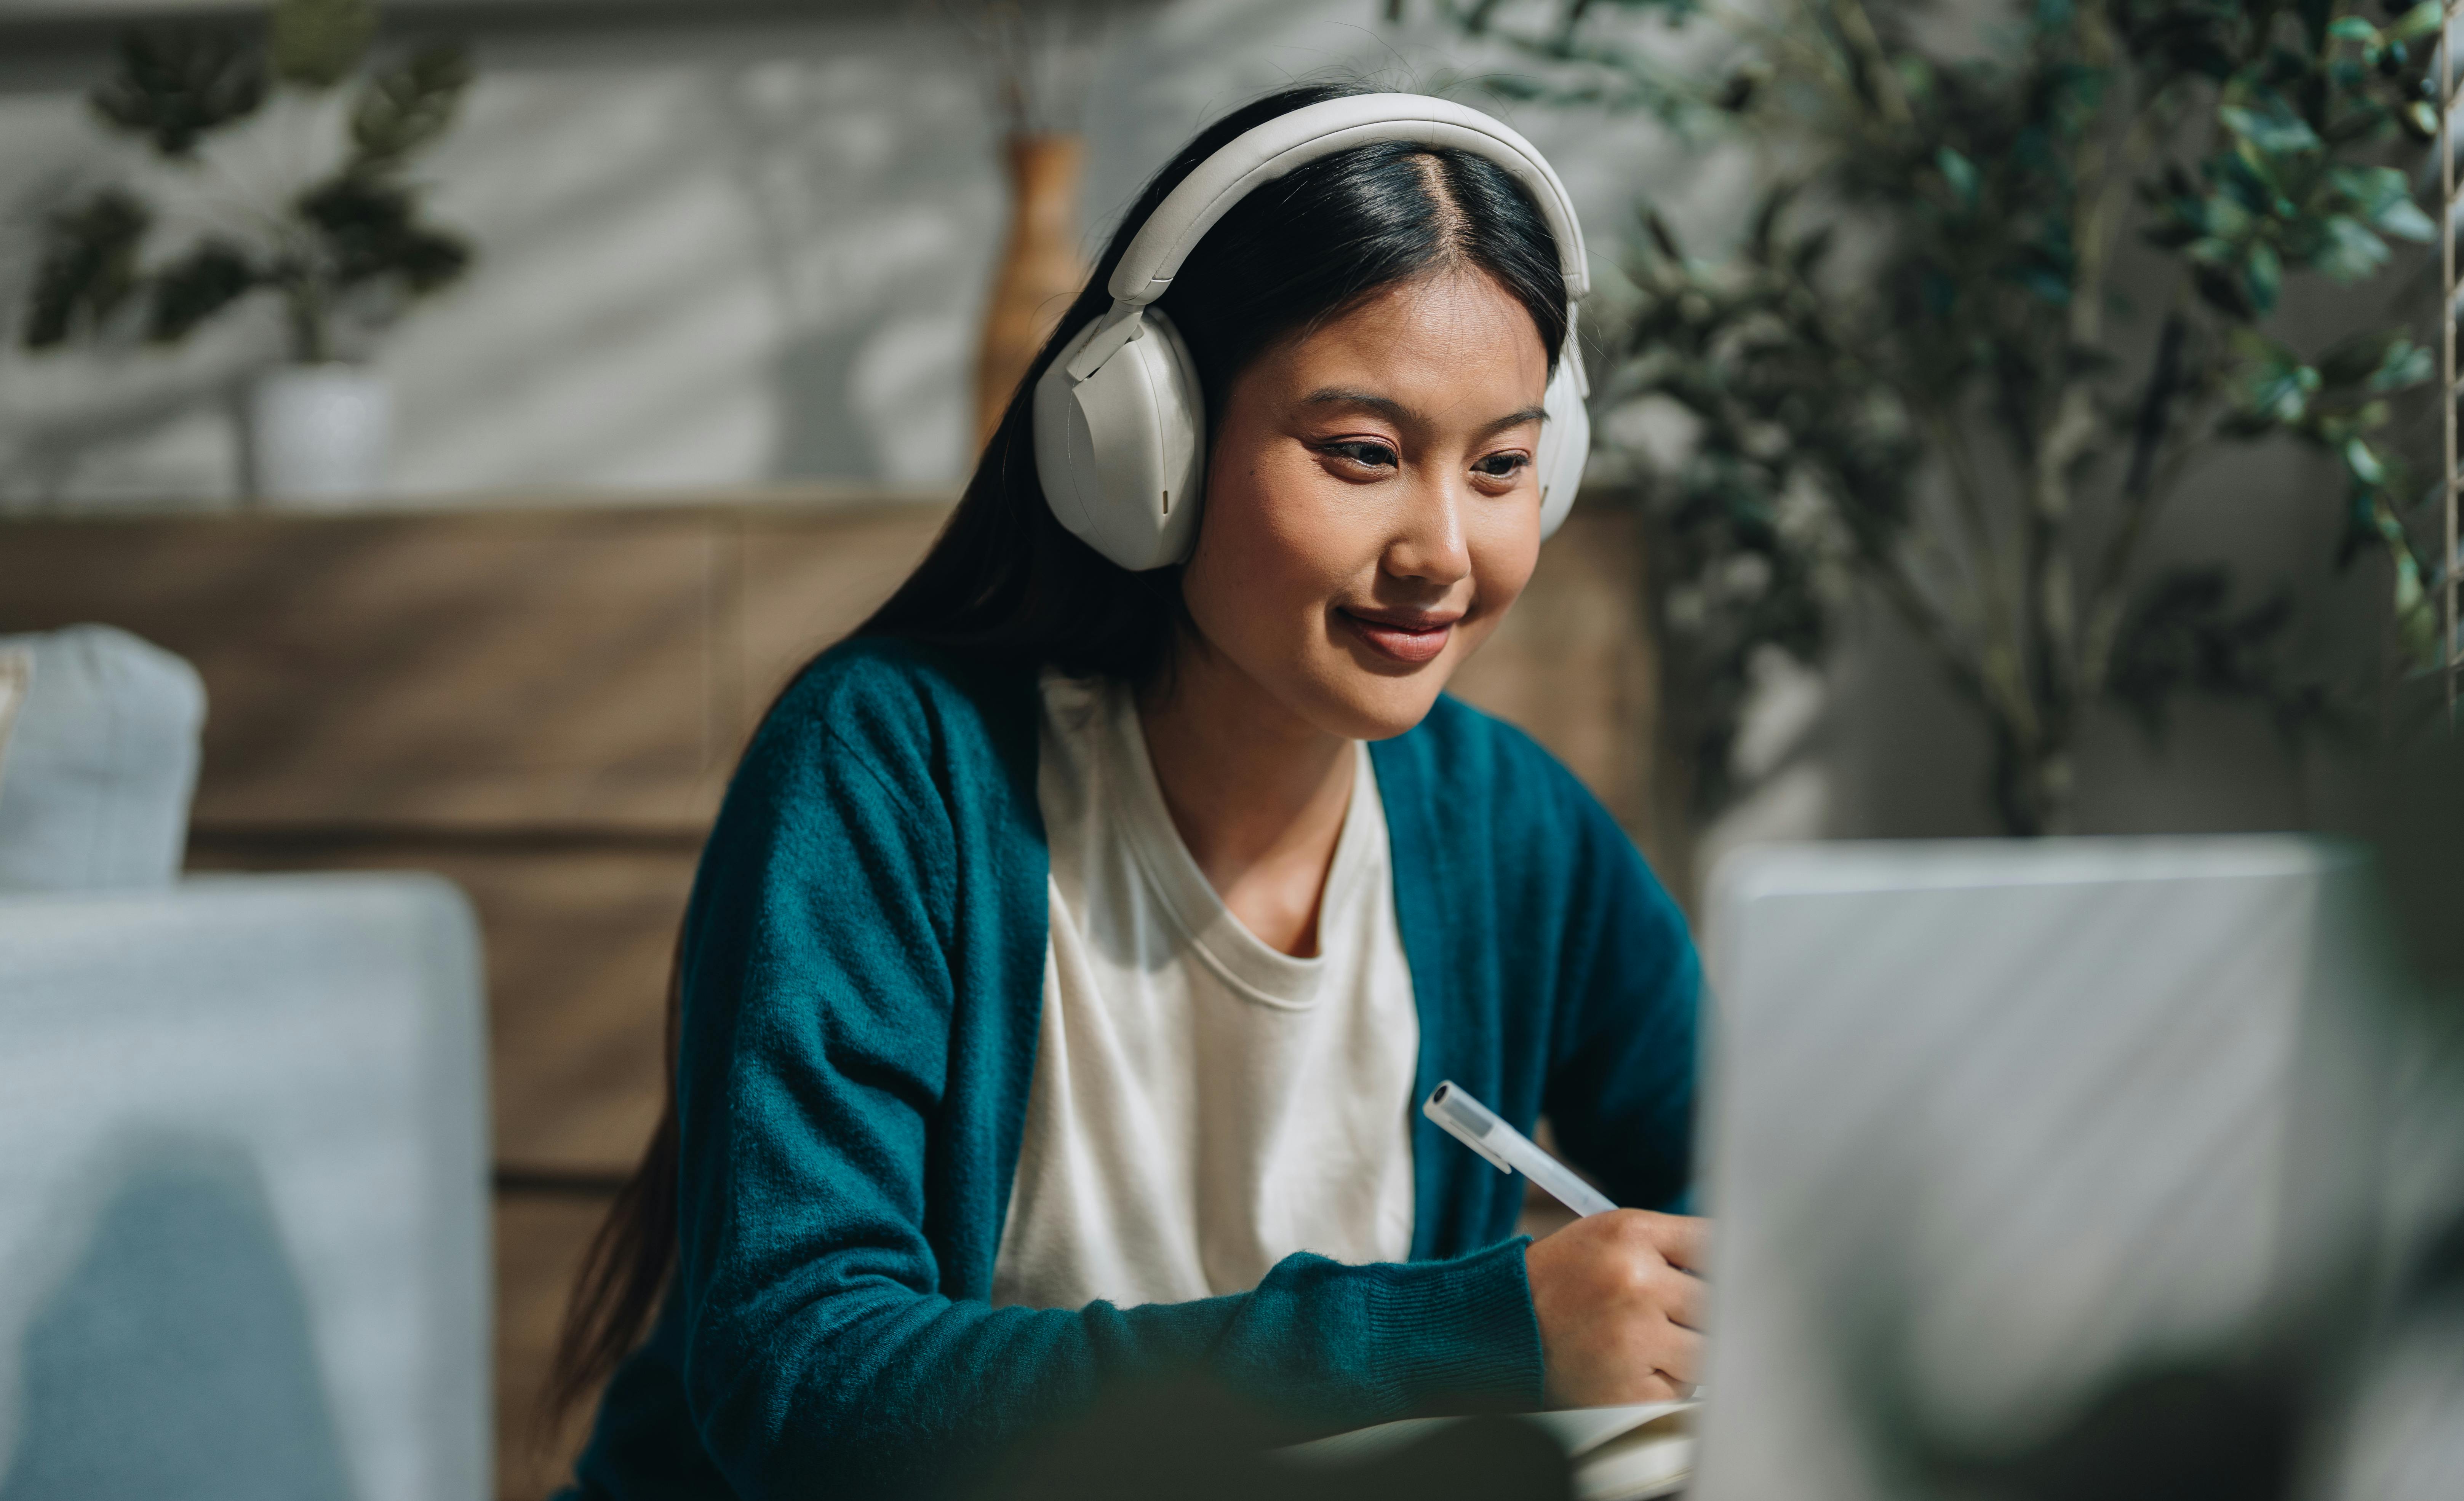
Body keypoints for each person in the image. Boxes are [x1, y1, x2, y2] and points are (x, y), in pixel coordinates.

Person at [548, 83, 1706, 1501]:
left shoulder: (1515, 835)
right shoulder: (891, 772)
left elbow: (1759, 1209)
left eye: (1506, 467)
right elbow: (802, 1380)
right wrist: (1467, 1335)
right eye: (1363, 455)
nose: (1444, 553)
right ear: (1145, 443)